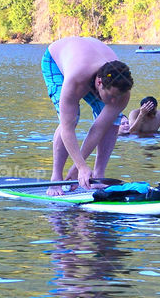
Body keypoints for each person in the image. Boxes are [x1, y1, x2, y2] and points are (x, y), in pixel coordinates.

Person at [41, 36, 133, 195]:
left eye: (117, 97)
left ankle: (98, 176)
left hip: (89, 57)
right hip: (56, 60)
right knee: (71, 118)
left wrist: (78, 167)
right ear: (99, 83)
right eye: (110, 96)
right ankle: (55, 178)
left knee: (113, 121)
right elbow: (67, 129)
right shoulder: (76, 80)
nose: (113, 101)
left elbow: (99, 128)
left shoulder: (122, 92)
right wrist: (82, 166)